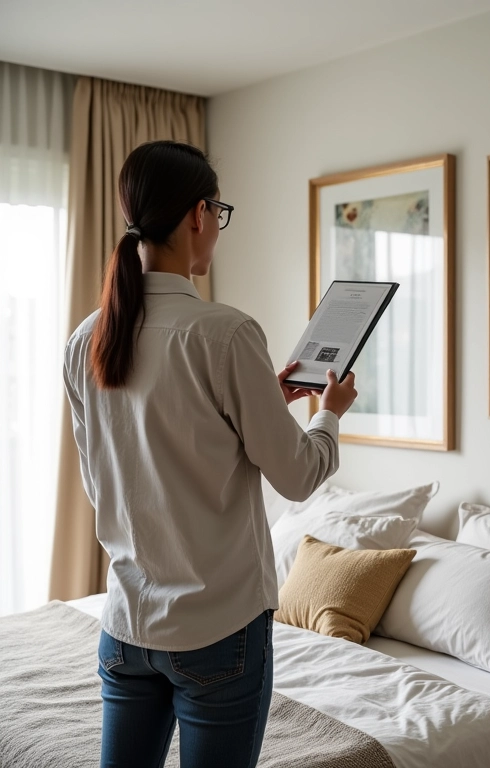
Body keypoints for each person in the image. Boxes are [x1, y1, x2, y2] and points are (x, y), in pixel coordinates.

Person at [63, 140, 357, 768]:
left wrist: (259, 402)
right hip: (217, 630)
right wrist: (329, 413)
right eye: (218, 213)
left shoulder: (87, 338)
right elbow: (300, 476)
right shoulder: (226, 334)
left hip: (125, 624)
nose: (217, 228)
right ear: (199, 214)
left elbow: (108, 478)